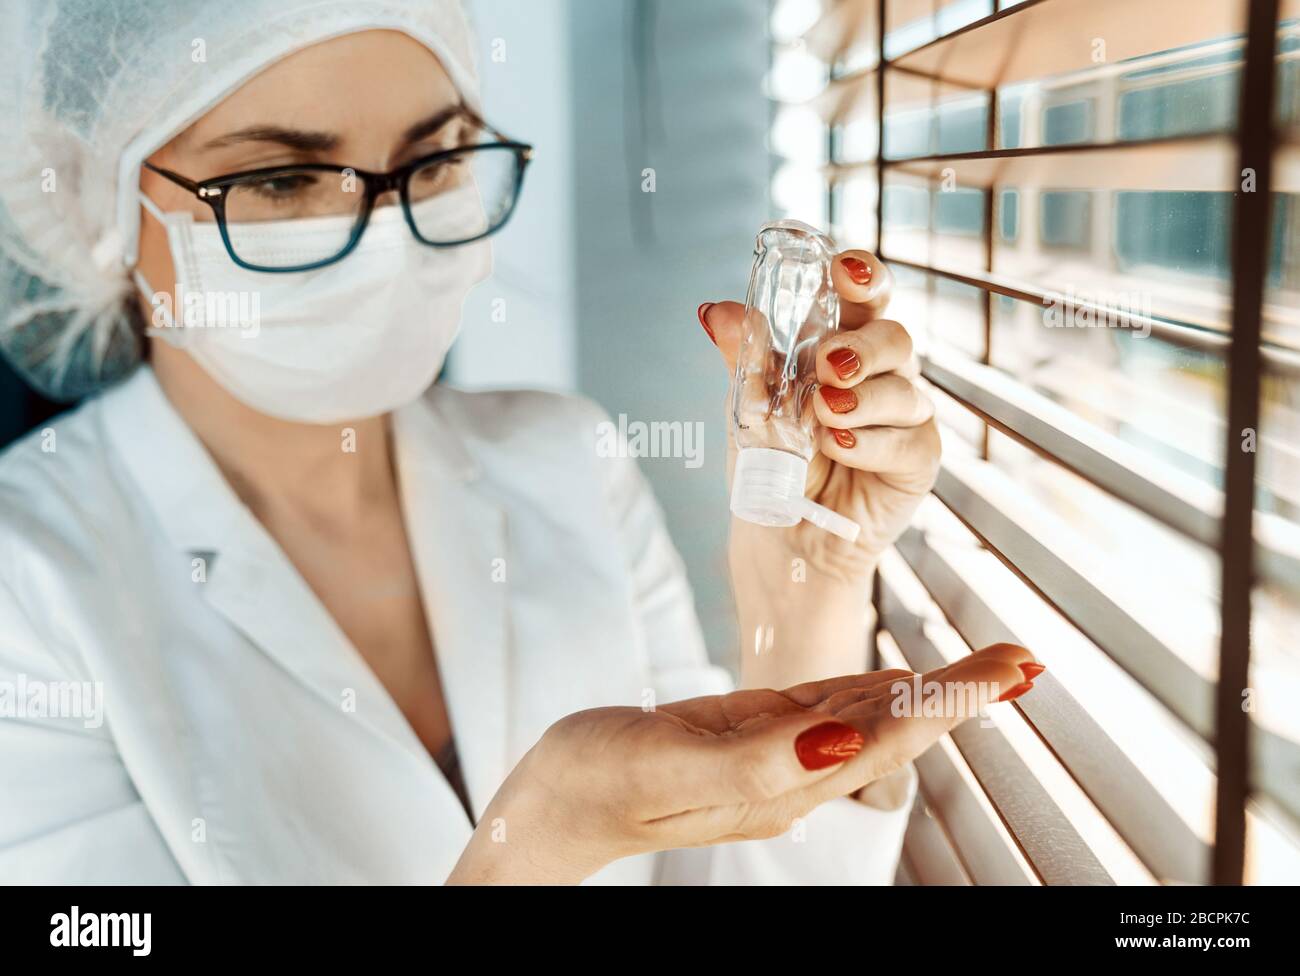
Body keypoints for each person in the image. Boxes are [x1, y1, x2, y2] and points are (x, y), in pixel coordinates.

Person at [0, 0, 1040, 884]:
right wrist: (532, 846)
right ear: (95, 201)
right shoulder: (26, 578)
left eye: (435, 158)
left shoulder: (564, 453)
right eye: (282, 180)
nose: (384, 229)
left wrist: (807, 585)